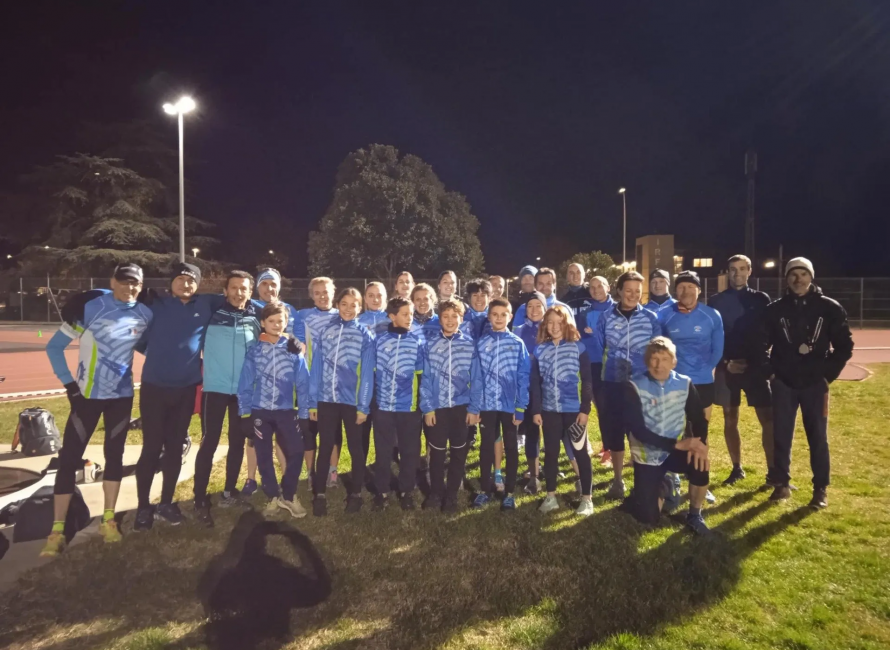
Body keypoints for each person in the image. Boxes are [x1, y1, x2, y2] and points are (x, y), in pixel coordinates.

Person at [41, 264, 153, 557]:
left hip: (121, 397)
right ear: (113, 282)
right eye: (124, 281)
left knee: (115, 456)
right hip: (87, 397)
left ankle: (108, 520)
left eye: (135, 283)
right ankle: (56, 531)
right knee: (69, 459)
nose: (129, 288)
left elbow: (147, 347)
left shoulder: (144, 314)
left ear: (141, 286)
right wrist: (70, 386)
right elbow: (54, 347)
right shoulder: (92, 308)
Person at [133, 263, 227, 530]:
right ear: (171, 282)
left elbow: (239, 296)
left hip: (185, 389)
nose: (186, 284)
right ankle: (143, 507)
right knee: (151, 448)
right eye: (181, 279)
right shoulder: (155, 305)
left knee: (175, 448)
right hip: (154, 387)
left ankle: (166, 502)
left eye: (191, 280)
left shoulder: (206, 304)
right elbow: (139, 338)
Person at [758, 258, 853, 509]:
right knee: (781, 435)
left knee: (818, 437)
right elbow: (759, 344)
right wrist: (771, 373)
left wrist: (826, 375)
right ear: (786, 278)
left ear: (811, 277)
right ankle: (781, 483)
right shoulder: (774, 309)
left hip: (815, 385)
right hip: (783, 384)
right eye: (793, 274)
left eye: (803, 274)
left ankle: (820, 489)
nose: (798, 279)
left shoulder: (829, 308)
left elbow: (844, 346)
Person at [620, 337, 712, 535]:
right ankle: (664, 484)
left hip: (674, 451)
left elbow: (698, 419)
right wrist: (676, 445)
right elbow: (638, 430)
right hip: (648, 454)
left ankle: (694, 515)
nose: (658, 365)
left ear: (674, 362)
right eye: (654, 359)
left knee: (700, 462)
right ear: (647, 361)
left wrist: (700, 444)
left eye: (664, 359)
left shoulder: (684, 384)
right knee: (648, 518)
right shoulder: (633, 386)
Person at [193, 271, 262, 528]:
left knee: (236, 442)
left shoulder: (256, 317)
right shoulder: (212, 314)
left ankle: (229, 492)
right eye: (233, 288)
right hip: (215, 389)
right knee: (209, 442)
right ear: (225, 290)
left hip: (243, 392)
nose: (238, 293)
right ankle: (200, 499)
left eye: (243, 288)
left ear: (250, 292)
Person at [236, 302, 310, 518]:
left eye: (281, 321)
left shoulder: (293, 350)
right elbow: (245, 383)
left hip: (286, 410)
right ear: (263, 323)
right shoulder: (254, 351)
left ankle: (288, 494)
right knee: (263, 455)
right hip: (260, 412)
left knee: (297, 451)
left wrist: (304, 414)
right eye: (271, 321)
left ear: (286, 323)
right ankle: (272, 496)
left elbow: (303, 383)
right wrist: (245, 414)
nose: (276, 325)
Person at [594, 271, 662, 500]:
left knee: (639, 433)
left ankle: (641, 483)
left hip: (642, 384)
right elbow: (601, 346)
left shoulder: (651, 318)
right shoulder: (606, 317)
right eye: (628, 290)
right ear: (619, 291)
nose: (633, 295)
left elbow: (657, 351)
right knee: (615, 432)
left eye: (637, 291)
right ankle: (617, 481)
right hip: (613, 382)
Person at [308, 287, 376, 516]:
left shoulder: (365, 335)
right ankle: (319, 494)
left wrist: (363, 406)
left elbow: (366, 374)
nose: (348, 309)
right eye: (344, 304)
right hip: (326, 399)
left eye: (353, 305)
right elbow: (316, 367)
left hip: (352, 402)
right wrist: (312, 401)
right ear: (337, 305)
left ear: (360, 308)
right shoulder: (325, 331)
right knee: (326, 446)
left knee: (356, 448)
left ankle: (356, 494)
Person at [708, 255, 774, 486]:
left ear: (749, 271)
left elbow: (769, 333)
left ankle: (773, 472)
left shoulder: (761, 299)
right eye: (733, 269)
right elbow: (713, 337)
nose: (737, 273)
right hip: (727, 368)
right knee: (730, 418)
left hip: (756, 369)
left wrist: (760, 361)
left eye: (742, 269)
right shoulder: (716, 301)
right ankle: (737, 468)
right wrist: (726, 362)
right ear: (728, 272)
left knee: (767, 419)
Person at [530, 306, 594, 517]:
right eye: (550, 322)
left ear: (567, 324)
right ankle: (551, 497)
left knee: (580, 453)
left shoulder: (578, 348)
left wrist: (585, 410)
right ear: (545, 325)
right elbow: (535, 383)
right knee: (551, 453)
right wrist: (537, 410)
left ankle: (587, 499)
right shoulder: (540, 350)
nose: (555, 326)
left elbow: (587, 381)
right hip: (549, 411)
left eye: (559, 322)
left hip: (574, 411)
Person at [468, 298, 531, 511]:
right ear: (489, 317)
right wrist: (475, 406)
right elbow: (476, 377)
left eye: (503, 314)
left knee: (511, 447)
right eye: (494, 314)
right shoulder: (481, 343)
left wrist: (520, 407)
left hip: (509, 406)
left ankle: (510, 492)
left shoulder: (517, 343)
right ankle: (484, 490)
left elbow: (523, 376)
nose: (499, 318)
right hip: (487, 405)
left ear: (510, 317)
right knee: (486, 446)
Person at [514, 292, 580, 492]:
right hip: (529, 389)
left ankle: (579, 475)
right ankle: (534, 476)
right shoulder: (519, 331)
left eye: (538, 306)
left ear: (545, 308)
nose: (534, 310)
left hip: (554, 390)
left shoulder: (553, 329)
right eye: (530, 306)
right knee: (532, 433)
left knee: (565, 434)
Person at [241, 268, 299, 494]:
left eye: (273, 284)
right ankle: (251, 478)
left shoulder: (290, 310)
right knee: (255, 438)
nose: (269, 288)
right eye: (264, 284)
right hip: (259, 381)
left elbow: (297, 342)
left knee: (282, 436)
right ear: (257, 287)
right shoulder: (250, 307)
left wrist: (293, 341)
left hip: (282, 384)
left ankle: (285, 478)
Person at [420, 298, 475, 512]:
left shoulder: (470, 344)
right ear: (439, 319)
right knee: (437, 453)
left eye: (455, 316)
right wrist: (428, 408)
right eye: (445, 316)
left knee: (458, 453)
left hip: (461, 407)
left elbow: (477, 379)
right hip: (438, 407)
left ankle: (451, 495)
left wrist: (474, 408)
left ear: (461, 319)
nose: (450, 320)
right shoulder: (430, 344)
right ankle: (435, 493)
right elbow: (425, 379)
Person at [371, 296, 425, 511]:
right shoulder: (379, 341)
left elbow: (422, 376)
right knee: (383, 452)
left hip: (409, 408)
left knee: (409, 452)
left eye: (411, 314)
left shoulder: (417, 342)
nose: (409, 318)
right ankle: (382, 492)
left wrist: (421, 404)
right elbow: (371, 374)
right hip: (383, 407)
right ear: (392, 316)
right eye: (405, 314)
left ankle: (406, 491)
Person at [289, 277, 339, 492]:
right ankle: (311, 473)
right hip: (308, 382)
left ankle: (333, 472)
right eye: (317, 293)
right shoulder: (302, 316)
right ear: (311, 296)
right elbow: (296, 343)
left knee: (333, 431)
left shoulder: (342, 315)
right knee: (308, 431)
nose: (322, 296)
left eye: (325, 291)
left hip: (334, 384)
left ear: (333, 292)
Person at [578, 276, 615, 464]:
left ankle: (618, 447)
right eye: (592, 287)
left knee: (616, 408)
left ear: (608, 287)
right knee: (602, 407)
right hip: (594, 364)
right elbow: (582, 339)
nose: (595, 290)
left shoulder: (617, 310)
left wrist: (597, 335)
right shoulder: (586, 314)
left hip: (615, 364)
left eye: (599, 286)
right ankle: (607, 447)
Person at [357, 281, 389, 468]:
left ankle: (382, 467)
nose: (375, 299)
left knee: (383, 430)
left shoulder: (393, 320)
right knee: (361, 427)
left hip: (385, 383)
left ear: (385, 298)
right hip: (363, 381)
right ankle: (360, 469)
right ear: (365, 298)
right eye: (371, 295)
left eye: (379, 295)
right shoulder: (358, 321)